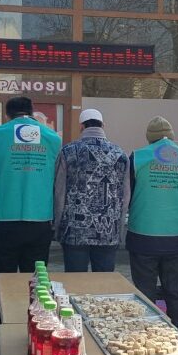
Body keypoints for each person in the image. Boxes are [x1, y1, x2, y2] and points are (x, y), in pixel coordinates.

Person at [0, 96, 62, 355]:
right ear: (31, 112)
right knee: (36, 289)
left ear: (8, 114)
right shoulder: (52, 138)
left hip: (2, 220)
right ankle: (33, 347)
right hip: (39, 221)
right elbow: (56, 184)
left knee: (0, 285)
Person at [126, 116, 178, 328]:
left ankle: (146, 330)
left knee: (144, 290)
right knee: (174, 289)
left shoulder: (138, 157)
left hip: (143, 233)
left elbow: (127, 193)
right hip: (176, 234)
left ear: (149, 138)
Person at [54, 109, 129, 272]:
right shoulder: (120, 154)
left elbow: (59, 193)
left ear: (81, 127)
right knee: (103, 281)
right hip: (108, 230)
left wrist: (58, 226)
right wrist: (118, 229)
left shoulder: (68, 151)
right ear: (103, 125)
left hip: (74, 230)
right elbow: (125, 196)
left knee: (75, 280)